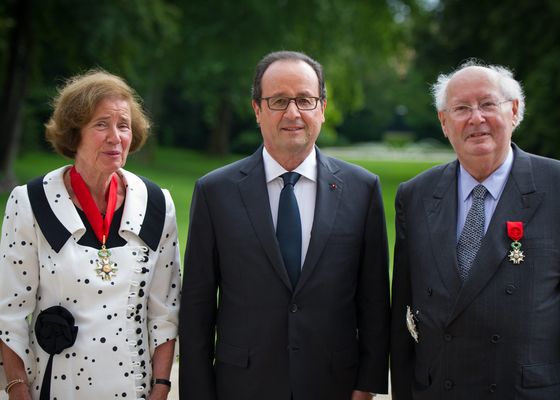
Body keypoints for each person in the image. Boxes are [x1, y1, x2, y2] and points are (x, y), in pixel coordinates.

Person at [179, 50, 390, 400]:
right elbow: (198, 305)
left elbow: (374, 299)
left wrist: (366, 385)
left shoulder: (362, 189)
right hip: (242, 387)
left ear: (322, 108)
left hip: (333, 386)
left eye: (305, 100)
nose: (293, 113)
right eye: (278, 101)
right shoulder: (214, 192)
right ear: (257, 109)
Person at [390, 60, 560, 399]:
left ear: (515, 111)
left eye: (488, 104)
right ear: (444, 122)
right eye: (461, 108)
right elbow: (401, 314)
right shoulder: (415, 196)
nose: (476, 119)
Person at [0, 70, 181, 400]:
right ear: (74, 133)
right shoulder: (31, 202)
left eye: (123, 125)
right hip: (56, 388)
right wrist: (17, 389)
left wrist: (161, 388)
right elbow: (9, 311)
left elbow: (164, 312)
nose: (115, 137)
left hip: (134, 389)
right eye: (101, 124)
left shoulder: (157, 204)